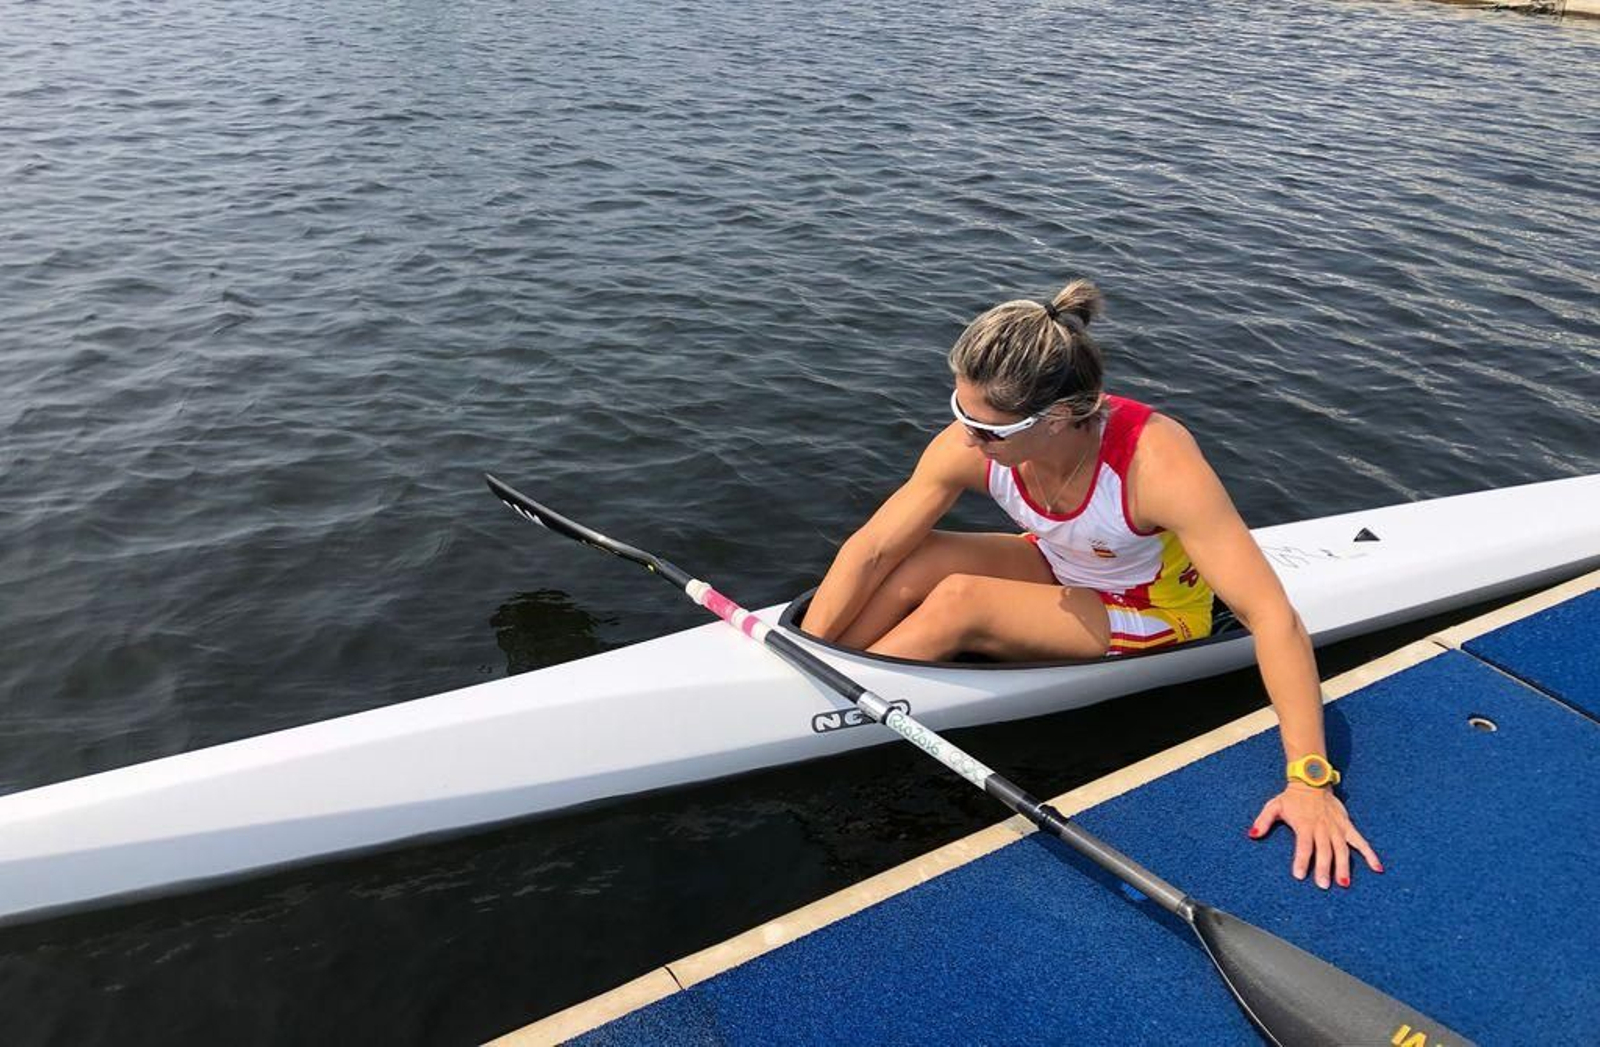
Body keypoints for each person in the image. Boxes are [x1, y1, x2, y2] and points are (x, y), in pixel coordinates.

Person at [801, 278, 1382, 889]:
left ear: (1057, 417)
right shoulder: (978, 436)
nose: (967, 438)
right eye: (960, 412)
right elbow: (872, 547)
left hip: (1155, 606)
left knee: (959, 600)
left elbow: (1272, 616)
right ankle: (826, 673)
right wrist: (810, 646)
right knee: (917, 556)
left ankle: (833, 713)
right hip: (1063, 563)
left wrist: (1309, 781)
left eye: (989, 430)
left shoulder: (1157, 465)